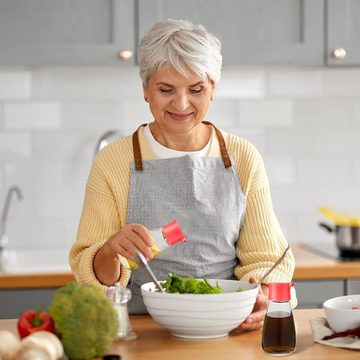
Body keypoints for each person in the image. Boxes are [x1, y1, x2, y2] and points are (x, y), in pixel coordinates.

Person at [70, 19, 295, 331]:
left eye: (196, 89)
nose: (181, 103)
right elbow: (94, 276)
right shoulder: (113, 162)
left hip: (226, 328)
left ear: (213, 89)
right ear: (146, 89)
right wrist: (109, 250)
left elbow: (267, 260)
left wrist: (265, 296)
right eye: (166, 89)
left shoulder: (243, 157)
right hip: (142, 330)